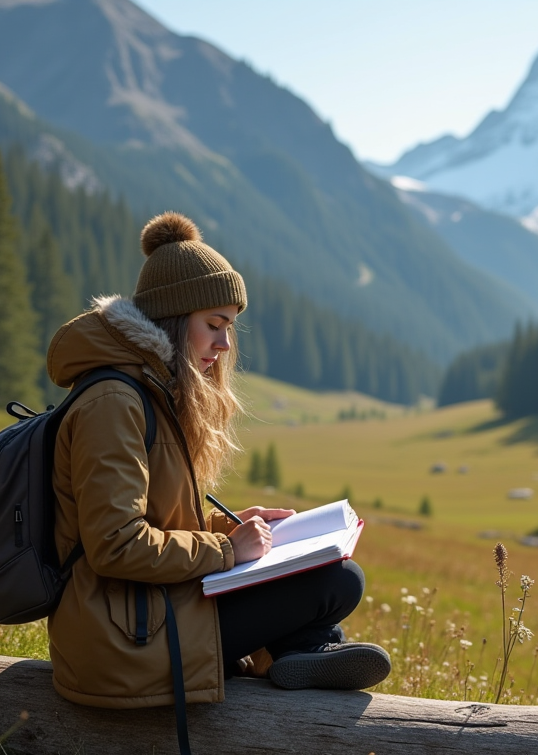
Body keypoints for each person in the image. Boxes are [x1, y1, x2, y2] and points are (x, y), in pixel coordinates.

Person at [45, 210, 390, 715]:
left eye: (230, 327)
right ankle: (298, 651)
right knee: (337, 582)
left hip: (147, 611)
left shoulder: (149, 391)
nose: (225, 344)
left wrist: (230, 525)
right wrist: (227, 550)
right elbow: (116, 546)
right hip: (121, 636)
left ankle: (302, 652)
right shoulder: (114, 403)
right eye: (214, 325)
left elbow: (155, 522)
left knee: (335, 575)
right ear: (173, 316)